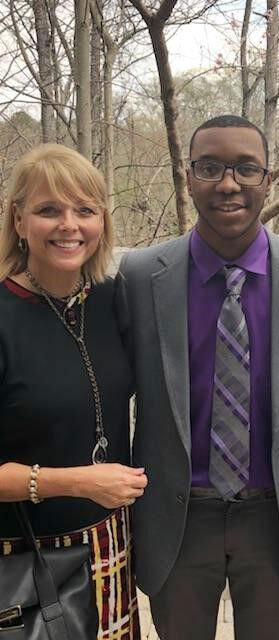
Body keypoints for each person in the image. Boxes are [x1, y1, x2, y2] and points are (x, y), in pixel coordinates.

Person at [116, 114, 279, 640]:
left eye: (245, 168)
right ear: (187, 175)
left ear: (268, 179)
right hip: (177, 515)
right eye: (210, 167)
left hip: (274, 516)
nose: (227, 183)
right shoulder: (141, 275)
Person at [0, 144, 148, 639]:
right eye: (49, 210)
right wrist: (77, 482)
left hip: (108, 543)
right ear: (19, 221)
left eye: (85, 210)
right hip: (24, 555)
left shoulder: (109, 297)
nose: (69, 225)